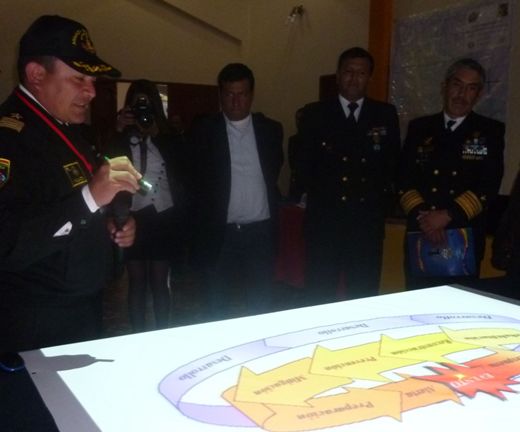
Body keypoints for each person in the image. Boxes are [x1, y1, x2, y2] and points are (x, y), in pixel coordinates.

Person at [0, 15, 142, 353]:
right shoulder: (10, 138)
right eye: (79, 78)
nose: (91, 92)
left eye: (92, 80)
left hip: (80, 308)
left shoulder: (63, 128)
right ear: (36, 74)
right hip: (35, 323)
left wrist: (109, 225)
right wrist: (90, 199)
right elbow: (7, 242)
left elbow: (62, 210)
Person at [297, 47, 400, 306]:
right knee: (319, 296)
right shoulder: (315, 113)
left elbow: (392, 165)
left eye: (361, 73)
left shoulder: (384, 114)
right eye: (348, 72)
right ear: (338, 75)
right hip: (325, 224)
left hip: (365, 225)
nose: (354, 79)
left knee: (363, 296)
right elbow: (303, 164)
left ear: (369, 78)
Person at [398, 58, 505, 289]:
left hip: (463, 238)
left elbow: (488, 185)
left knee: (458, 305)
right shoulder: (420, 128)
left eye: (471, 88)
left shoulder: (490, 131)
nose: (462, 94)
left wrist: (447, 216)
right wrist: (426, 220)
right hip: (421, 233)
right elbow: (403, 178)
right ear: (444, 86)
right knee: (418, 303)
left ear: (478, 94)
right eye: (457, 85)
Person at [190, 63, 283, 321]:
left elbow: (274, 170)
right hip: (220, 233)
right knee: (215, 305)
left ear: (251, 95)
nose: (235, 101)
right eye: (229, 94)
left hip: (260, 233)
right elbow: (193, 180)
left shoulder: (271, 130)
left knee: (261, 304)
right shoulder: (204, 131)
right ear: (220, 95)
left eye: (241, 94)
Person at [110, 79, 189, 331]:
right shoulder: (123, 137)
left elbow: (184, 165)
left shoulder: (166, 136)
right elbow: (108, 165)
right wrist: (118, 129)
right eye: (137, 106)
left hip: (163, 217)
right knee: (136, 283)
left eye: (146, 106)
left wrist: (157, 132)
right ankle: (137, 336)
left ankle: (162, 334)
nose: (142, 112)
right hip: (133, 217)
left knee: (159, 281)